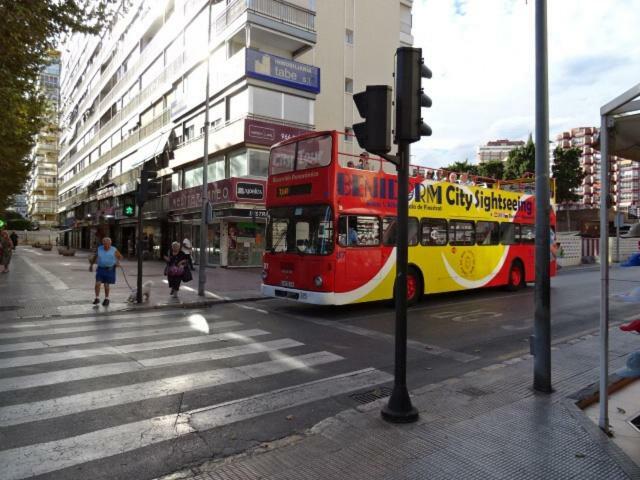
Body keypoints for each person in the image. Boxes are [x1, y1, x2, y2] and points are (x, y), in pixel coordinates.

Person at [92, 237, 122, 306]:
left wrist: (117, 262)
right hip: (100, 268)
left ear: (110, 243)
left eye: (107, 244)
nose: (106, 245)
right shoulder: (99, 248)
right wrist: (91, 265)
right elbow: (95, 256)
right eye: (104, 243)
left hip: (110, 269)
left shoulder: (114, 249)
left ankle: (107, 299)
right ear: (103, 243)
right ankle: (97, 298)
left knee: (106, 285)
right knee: (97, 284)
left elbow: (120, 257)